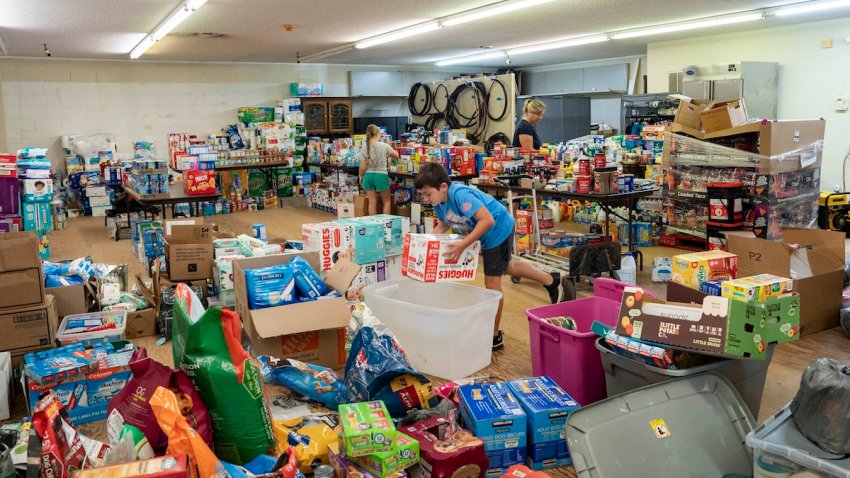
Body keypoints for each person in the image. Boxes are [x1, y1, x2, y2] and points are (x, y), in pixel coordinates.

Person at [414, 162, 568, 351]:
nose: (426, 199)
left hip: (497, 230)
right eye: (423, 195)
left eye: (428, 194)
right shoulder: (439, 202)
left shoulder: (460, 195)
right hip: (484, 235)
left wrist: (463, 244)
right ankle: (551, 280)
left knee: (492, 284)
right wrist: (424, 246)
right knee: (507, 267)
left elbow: (487, 220)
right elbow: (444, 225)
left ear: (443, 187)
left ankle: (494, 336)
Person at [359, 124, 399, 215]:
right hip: (381, 175)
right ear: (378, 134)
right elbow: (396, 155)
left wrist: (361, 176)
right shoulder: (384, 146)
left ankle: (373, 224)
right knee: (386, 201)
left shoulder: (363, 148)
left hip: (368, 176)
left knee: (372, 202)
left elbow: (362, 168)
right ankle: (385, 224)